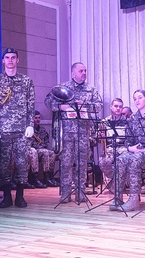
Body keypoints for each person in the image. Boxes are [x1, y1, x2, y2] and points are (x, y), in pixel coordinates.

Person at [45, 62, 103, 203]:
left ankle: (80, 192)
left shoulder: (91, 89)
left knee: (82, 163)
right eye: (81, 71)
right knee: (66, 162)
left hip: (83, 132)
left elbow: (99, 106)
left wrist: (84, 104)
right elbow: (48, 101)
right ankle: (65, 193)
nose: (84, 73)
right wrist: (61, 107)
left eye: (85, 71)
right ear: (73, 73)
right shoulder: (63, 88)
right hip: (66, 132)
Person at [0, 48, 36, 208]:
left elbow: (31, 105)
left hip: (22, 130)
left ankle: (20, 196)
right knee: (4, 165)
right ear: (3, 61)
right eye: (7, 57)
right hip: (3, 130)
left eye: (13, 57)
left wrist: (30, 125)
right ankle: (7, 196)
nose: (10, 60)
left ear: (17, 60)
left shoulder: (26, 81)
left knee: (22, 163)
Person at [98, 98, 129, 193]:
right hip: (110, 148)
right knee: (103, 162)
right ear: (111, 107)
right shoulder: (104, 122)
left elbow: (132, 138)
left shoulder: (128, 122)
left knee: (125, 160)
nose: (118, 108)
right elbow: (98, 139)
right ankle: (116, 182)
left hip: (124, 148)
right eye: (116, 106)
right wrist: (100, 136)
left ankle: (119, 184)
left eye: (120, 107)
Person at [29, 110, 59, 187]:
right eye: (36, 118)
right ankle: (35, 178)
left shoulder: (42, 129)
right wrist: (41, 146)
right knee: (45, 152)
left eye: (39, 118)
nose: (38, 120)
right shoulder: (30, 129)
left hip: (41, 150)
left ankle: (49, 176)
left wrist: (43, 146)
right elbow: (30, 143)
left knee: (52, 153)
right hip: (33, 150)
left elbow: (46, 141)